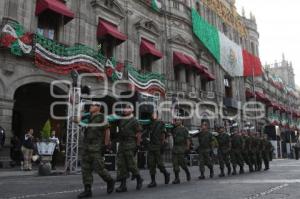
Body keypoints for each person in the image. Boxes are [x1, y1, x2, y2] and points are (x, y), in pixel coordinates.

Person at [77, 102, 115, 198]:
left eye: (93, 105)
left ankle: (110, 181)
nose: (90, 106)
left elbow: (107, 130)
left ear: (98, 107)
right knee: (85, 170)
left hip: (95, 147)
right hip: (86, 148)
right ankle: (87, 190)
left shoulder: (102, 117)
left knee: (100, 168)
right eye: (90, 105)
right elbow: (77, 121)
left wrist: (107, 145)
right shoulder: (88, 118)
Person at [115, 105, 143, 193]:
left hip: (130, 143)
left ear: (132, 110)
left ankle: (139, 178)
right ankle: (123, 186)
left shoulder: (134, 120)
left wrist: (138, 145)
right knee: (121, 164)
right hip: (122, 143)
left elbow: (138, 133)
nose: (125, 110)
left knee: (131, 163)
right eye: (124, 108)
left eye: (127, 108)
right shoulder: (121, 119)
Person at [145, 112, 170, 188]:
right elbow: (148, 133)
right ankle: (153, 181)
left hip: (158, 145)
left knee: (160, 164)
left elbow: (163, 133)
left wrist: (162, 144)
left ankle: (166, 173)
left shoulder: (161, 123)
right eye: (152, 114)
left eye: (154, 114)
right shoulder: (150, 123)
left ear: (157, 115)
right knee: (151, 164)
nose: (153, 115)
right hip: (151, 146)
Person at [171, 118, 191, 184]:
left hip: (181, 148)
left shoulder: (184, 129)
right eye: (176, 120)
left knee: (183, 164)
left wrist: (187, 147)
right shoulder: (174, 129)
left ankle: (187, 172)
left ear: (181, 121)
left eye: (178, 120)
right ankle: (177, 178)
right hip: (175, 148)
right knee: (175, 164)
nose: (176, 121)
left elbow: (187, 138)